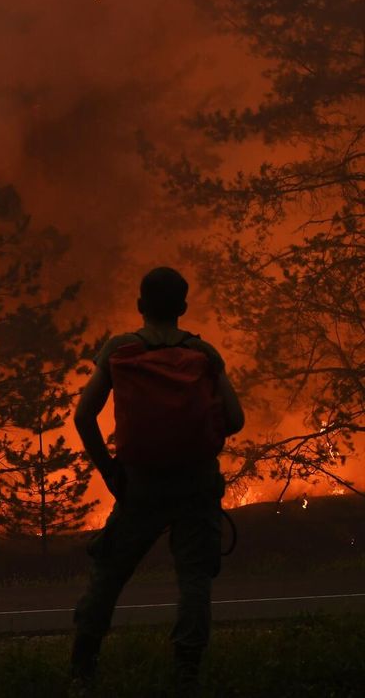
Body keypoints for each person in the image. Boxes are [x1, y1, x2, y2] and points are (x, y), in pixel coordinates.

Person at [69, 266, 245, 695]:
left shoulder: (120, 349)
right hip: (197, 485)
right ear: (183, 308)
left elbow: (83, 416)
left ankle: (82, 671)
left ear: (140, 306)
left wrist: (110, 472)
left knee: (109, 573)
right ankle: (187, 673)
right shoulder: (203, 353)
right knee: (195, 581)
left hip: (141, 486)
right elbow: (236, 419)